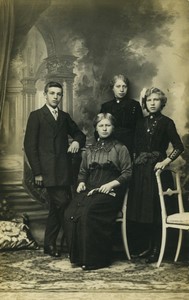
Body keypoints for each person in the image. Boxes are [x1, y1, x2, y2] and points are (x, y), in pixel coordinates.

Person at [24, 81, 86, 258]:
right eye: (52, 93)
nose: (55, 97)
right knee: (63, 204)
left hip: (64, 171)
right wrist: (37, 172)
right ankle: (72, 243)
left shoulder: (65, 117)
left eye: (59, 94)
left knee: (56, 208)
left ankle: (50, 244)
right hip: (46, 172)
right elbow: (30, 146)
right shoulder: (36, 116)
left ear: (61, 96)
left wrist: (75, 141)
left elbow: (80, 134)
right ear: (45, 95)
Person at [64, 113, 132, 270]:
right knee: (69, 213)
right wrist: (81, 183)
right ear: (96, 128)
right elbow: (83, 172)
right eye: (101, 125)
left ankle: (95, 260)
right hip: (90, 190)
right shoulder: (90, 150)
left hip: (110, 193)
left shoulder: (120, 148)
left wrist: (110, 185)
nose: (104, 128)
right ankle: (79, 257)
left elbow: (127, 173)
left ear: (113, 128)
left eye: (108, 125)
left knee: (88, 212)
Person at [127, 87, 184, 263]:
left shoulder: (167, 122)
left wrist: (165, 162)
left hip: (157, 172)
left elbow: (179, 147)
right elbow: (135, 148)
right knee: (143, 212)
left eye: (156, 100)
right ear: (145, 103)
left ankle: (157, 249)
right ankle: (148, 246)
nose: (152, 103)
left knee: (156, 211)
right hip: (140, 171)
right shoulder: (139, 123)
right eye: (149, 100)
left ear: (162, 103)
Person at [100, 74, 143, 157]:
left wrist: (136, 149)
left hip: (129, 145)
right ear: (112, 88)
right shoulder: (106, 106)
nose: (122, 89)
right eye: (118, 86)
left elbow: (139, 129)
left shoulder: (134, 105)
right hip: (110, 145)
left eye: (124, 86)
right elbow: (99, 126)